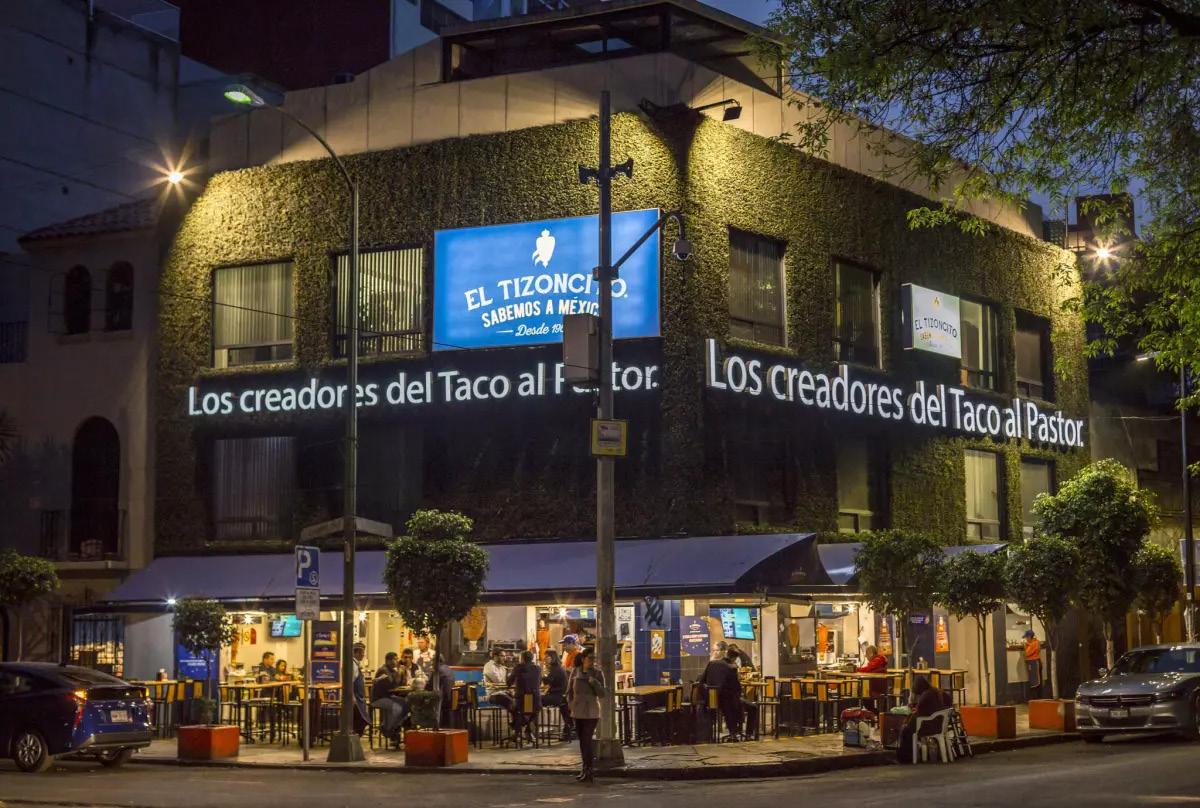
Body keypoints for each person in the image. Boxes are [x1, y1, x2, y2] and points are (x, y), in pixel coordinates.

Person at [567, 648, 605, 784]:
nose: (592, 661)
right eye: (590, 658)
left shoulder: (597, 673)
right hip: (577, 711)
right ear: (583, 659)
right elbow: (569, 691)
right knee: (582, 741)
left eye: (594, 658)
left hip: (591, 711)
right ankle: (584, 768)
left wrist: (594, 683)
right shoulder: (575, 671)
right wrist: (571, 704)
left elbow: (602, 693)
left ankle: (589, 770)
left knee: (587, 740)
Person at [897, 675, 945, 764]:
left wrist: (912, 712)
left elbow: (919, 712)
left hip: (930, 726)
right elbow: (924, 709)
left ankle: (906, 757)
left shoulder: (926, 695)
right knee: (907, 727)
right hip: (937, 724)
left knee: (905, 730)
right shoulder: (934, 691)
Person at [701, 647, 745, 740]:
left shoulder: (711, 663)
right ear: (734, 658)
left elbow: (702, 680)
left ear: (726, 654)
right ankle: (741, 732)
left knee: (733, 703)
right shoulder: (731, 667)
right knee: (750, 706)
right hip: (726, 701)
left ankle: (732, 731)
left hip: (711, 700)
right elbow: (737, 687)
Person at [507, 650, 542, 743]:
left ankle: (516, 731)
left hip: (522, 698)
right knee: (530, 712)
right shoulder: (538, 668)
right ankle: (527, 731)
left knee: (514, 709)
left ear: (522, 659)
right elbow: (539, 682)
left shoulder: (518, 668)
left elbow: (509, 682)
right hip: (535, 699)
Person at [371, 652, 408, 742]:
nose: (397, 661)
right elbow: (390, 684)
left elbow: (401, 684)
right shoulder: (383, 670)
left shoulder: (392, 670)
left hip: (389, 697)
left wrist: (403, 673)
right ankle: (388, 728)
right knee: (398, 708)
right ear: (388, 661)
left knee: (406, 704)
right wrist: (398, 672)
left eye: (397, 659)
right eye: (395, 659)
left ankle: (391, 727)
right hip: (379, 698)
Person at [542, 649, 573, 741]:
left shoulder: (555, 669)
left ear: (553, 658)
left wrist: (542, 673)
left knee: (535, 701)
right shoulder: (558, 668)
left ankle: (528, 727)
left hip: (557, 697)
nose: (544, 659)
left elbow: (547, 681)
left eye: (547, 657)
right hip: (561, 697)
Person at [483, 647, 513, 713]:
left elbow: (507, 682)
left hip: (504, 692)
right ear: (495, 656)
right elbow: (498, 681)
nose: (504, 658)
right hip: (493, 695)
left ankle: (518, 718)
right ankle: (518, 718)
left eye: (505, 656)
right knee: (512, 702)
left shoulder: (502, 667)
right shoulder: (489, 666)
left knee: (520, 700)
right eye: (502, 656)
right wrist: (508, 674)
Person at [351, 642, 370, 735]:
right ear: (356, 653)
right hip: (356, 698)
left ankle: (357, 737)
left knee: (361, 720)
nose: (363, 655)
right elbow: (350, 682)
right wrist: (352, 697)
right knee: (359, 721)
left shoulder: (356, 664)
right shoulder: (352, 665)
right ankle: (355, 737)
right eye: (362, 653)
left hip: (360, 698)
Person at [1023, 629, 1042, 700]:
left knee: (1035, 681)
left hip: (1034, 662)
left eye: (1026, 637)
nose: (1026, 639)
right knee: (1033, 681)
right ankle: (1035, 698)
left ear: (1029, 636)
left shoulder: (1035, 643)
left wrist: (1026, 645)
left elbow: (1027, 653)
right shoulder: (1032, 643)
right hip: (1032, 662)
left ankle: (1036, 698)